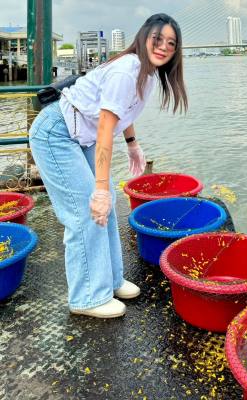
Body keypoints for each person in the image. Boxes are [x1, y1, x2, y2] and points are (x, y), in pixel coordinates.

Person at [29, 13, 188, 318]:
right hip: (57, 133)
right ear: (144, 38)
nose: (164, 46)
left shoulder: (147, 73)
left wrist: (132, 143)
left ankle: (110, 280)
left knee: (108, 203)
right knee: (86, 210)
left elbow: (124, 112)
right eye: (158, 39)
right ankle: (87, 296)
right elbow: (105, 129)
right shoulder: (126, 71)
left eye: (171, 43)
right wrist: (100, 188)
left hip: (79, 135)